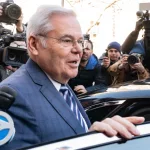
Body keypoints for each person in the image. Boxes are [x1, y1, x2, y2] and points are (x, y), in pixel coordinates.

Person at [0, 5, 144, 150]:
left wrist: (93, 139)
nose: (79, 50)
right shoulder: (11, 99)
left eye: (80, 41)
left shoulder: (60, 82)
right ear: (34, 44)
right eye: (67, 40)